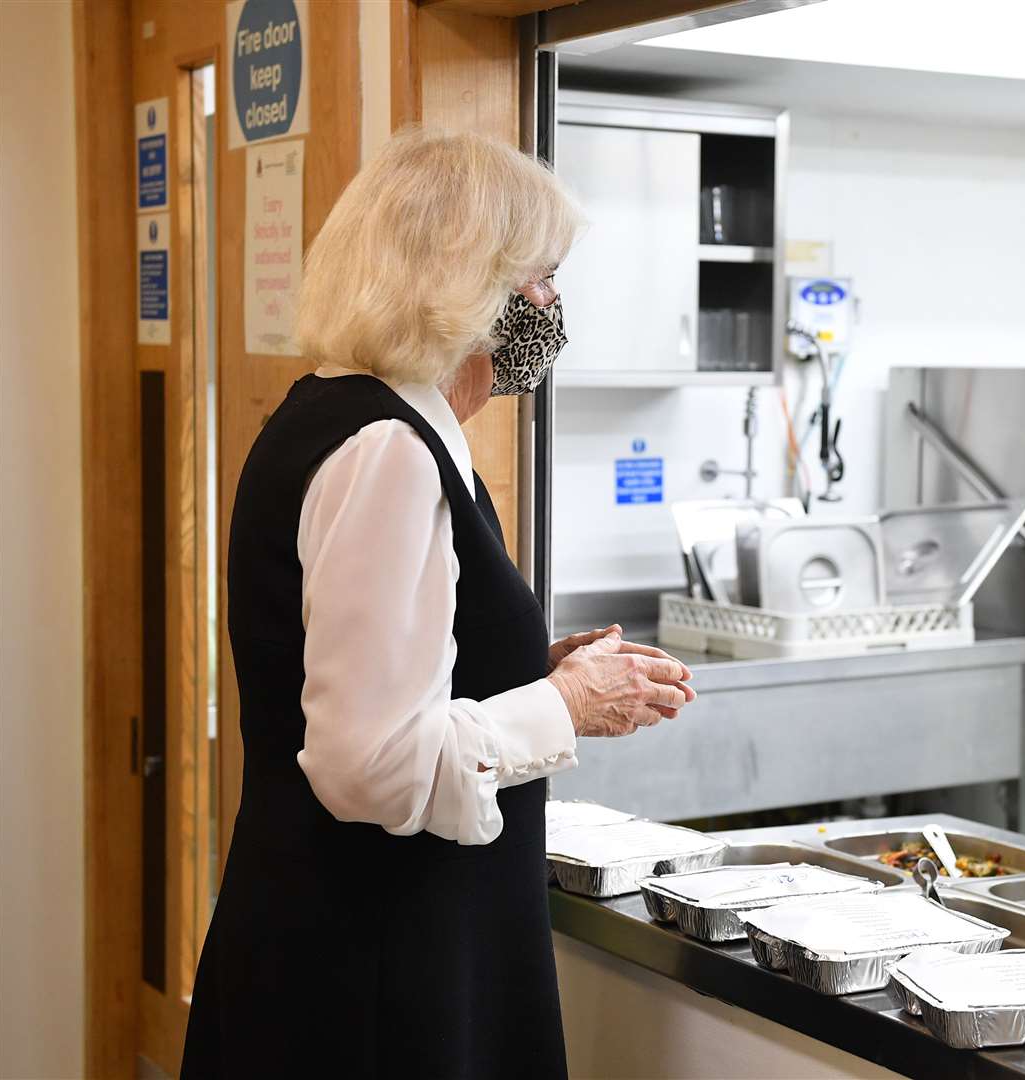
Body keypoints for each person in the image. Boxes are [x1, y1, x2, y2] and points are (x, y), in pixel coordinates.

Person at [182, 129, 694, 1078]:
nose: (551, 306)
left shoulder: (348, 417)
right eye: (540, 279)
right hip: (375, 971)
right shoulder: (388, 451)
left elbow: (379, 675)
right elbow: (370, 763)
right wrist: (566, 706)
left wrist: (529, 674)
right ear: (468, 283)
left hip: (350, 943)